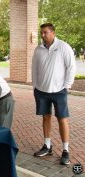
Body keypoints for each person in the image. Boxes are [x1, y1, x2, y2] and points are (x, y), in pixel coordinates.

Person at [32, 23, 76, 165]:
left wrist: (67, 85)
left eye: (46, 32)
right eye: (42, 33)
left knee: (62, 119)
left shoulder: (63, 47)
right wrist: (35, 87)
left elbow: (71, 67)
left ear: (53, 33)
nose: (43, 35)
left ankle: (65, 150)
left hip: (59, 91)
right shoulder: (38, 50)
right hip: (41, 91)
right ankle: (47, 146)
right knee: (46, 118)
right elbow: (34, 69)